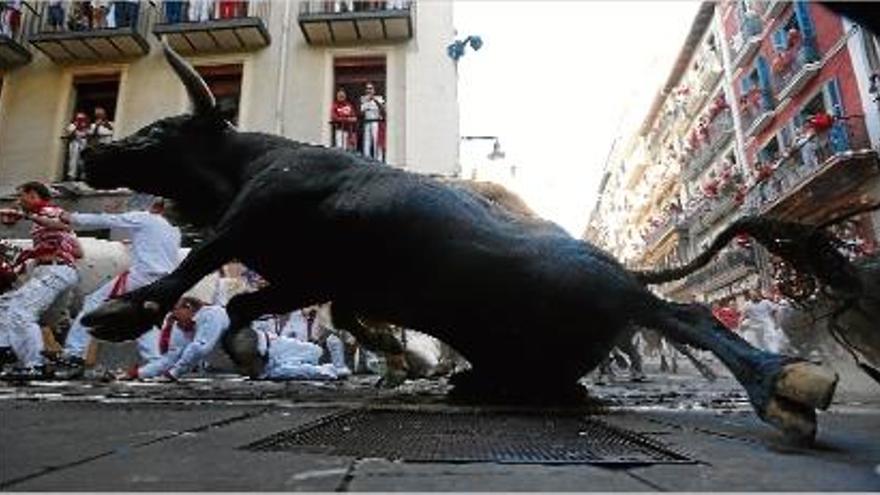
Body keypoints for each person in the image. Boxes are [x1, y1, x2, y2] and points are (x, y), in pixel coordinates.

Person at [54, 197, 182, 378]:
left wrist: (72, 217)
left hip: (142, 276)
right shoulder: (174, 230)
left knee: (94, 302)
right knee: (145, 318)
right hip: (163, 282)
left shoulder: (145, 218)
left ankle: (74, 354)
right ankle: (155, 361)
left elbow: (108, 220)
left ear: (154, 206)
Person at [0, 182, 82, 379]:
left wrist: (28, 217)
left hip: (54, 270)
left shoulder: (49, 211)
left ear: (33, 194)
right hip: (56, 271)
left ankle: (34, 364)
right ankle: (5, 349)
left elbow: (65, 224)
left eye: (21, 196)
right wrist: (40, 250)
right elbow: (79, 251)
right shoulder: (44, 217)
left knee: (22, 311)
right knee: (6, 304)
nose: (19, 201)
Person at [130, 297, 229, 380]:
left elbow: (199, 348)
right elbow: (172, 357)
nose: (174, 318)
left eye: (174, 310)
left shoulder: (212, 314)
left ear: (188, 308)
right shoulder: (189, 326)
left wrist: (175, 372)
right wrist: (138, 373)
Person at [359, 82, 385, 161]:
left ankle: (378, 159)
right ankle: (367, 158)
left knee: (377, 141)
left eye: (370, 88)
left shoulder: (379, 98)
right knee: (367, 141)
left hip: (376, 122)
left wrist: (374, 100)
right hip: (367, 122)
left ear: (374, 90)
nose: (368, 90)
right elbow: (360, 112)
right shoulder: (363, 99)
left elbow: (383, 110)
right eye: (367, 88)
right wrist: (366, 101)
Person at [64, 112, 91, 181]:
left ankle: (82, 178)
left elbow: (89, 135)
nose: (81, 120)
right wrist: (76, 127)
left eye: (82, 118)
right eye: (79, 118)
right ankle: (71, 177)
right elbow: (70, 135)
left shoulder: (87, 126)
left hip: (84, 144)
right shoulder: (72, 126)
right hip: (74, 144)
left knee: (83, 162)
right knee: (73, 162)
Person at [330, 88, 358, 152]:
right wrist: (347, 119)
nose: (341, 97)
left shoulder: (349, 105)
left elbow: (354, 117)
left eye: (342, 96)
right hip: (340, 130)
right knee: (340, 149)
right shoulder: (335, 105)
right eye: (339, 96)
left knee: (348, 149)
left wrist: (351, 119)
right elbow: (334, 117)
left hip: (349, 131)